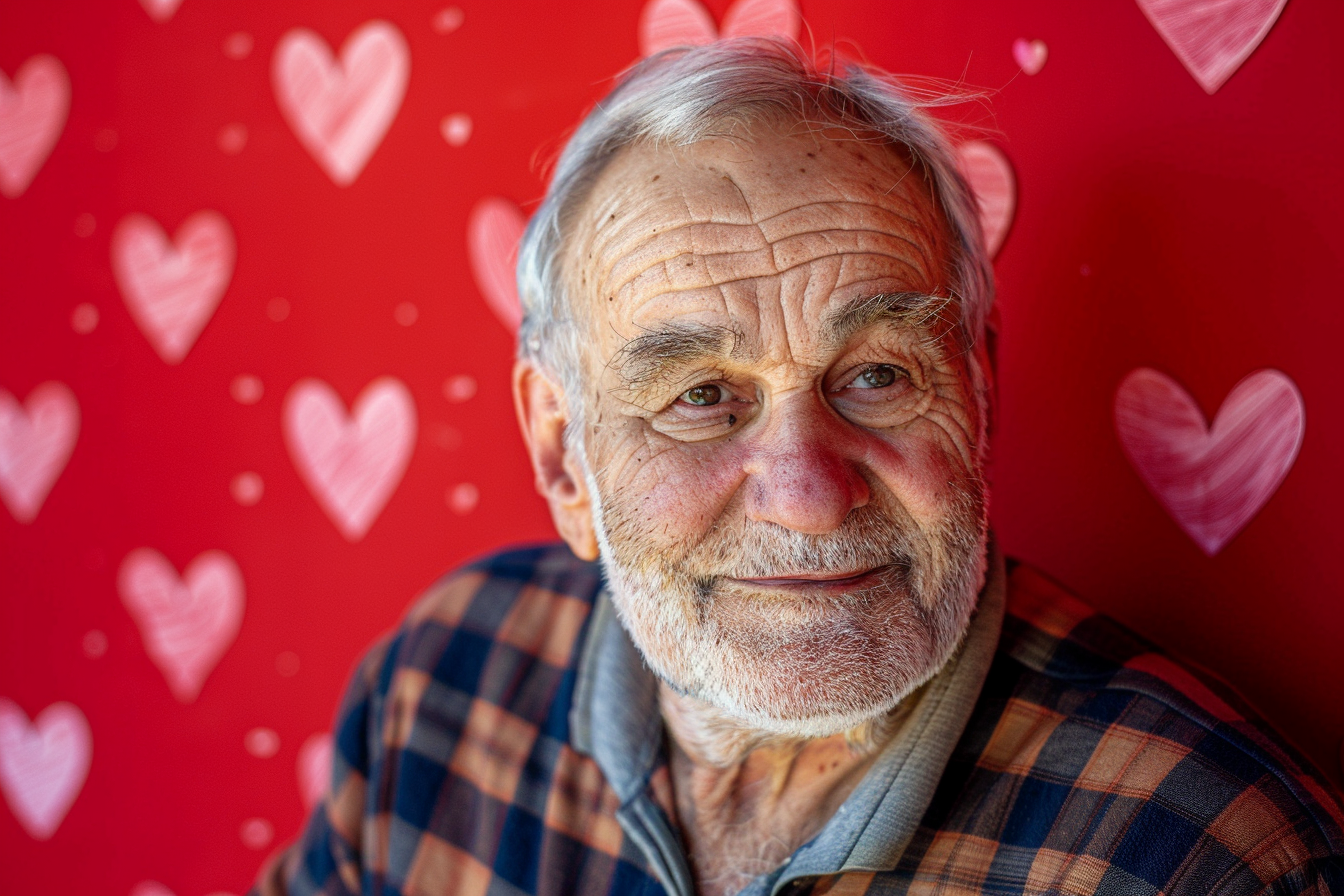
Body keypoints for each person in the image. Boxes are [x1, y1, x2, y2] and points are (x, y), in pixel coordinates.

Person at [254, 38, 1343, 896]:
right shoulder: (440, 682)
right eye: (700, 397)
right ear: (563, 456)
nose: (812, 498)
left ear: (979, 388)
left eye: (875, 374)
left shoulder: (1202, 854)